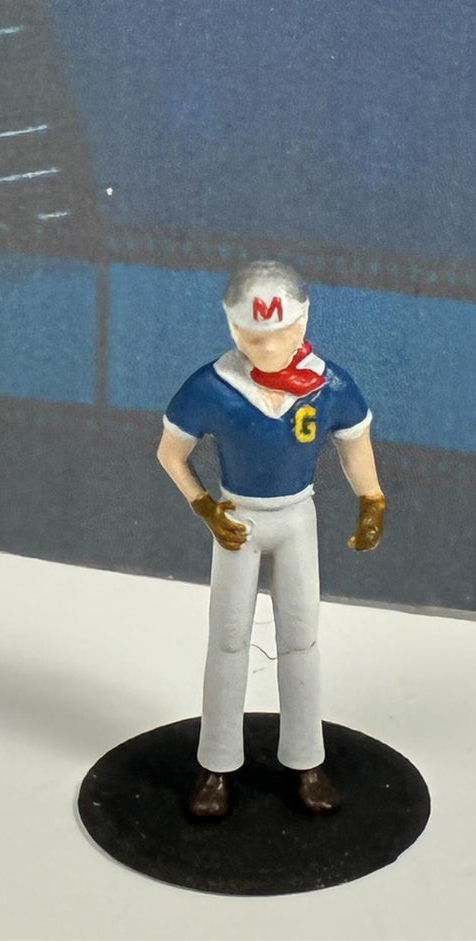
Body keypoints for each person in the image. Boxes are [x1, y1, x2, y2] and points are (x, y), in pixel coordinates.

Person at [156, 259, 387, 818]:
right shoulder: (213, 386)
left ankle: (306, 759)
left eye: (280, 333)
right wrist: (205, 507)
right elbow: (170, 453)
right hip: (238, 518)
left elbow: (354, 442)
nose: (267, 348)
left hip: (296, 516)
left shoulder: (328, 384)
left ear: (303, 322)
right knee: (228, 641)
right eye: (253, 336)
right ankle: (216, 765)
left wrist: (372, 499)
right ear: (233, 329)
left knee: (301, 641)